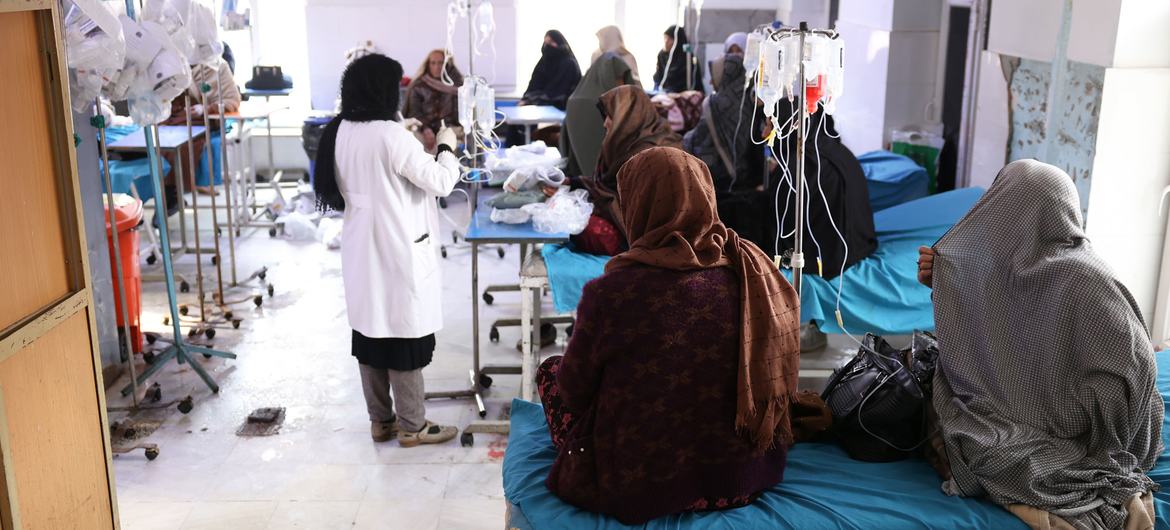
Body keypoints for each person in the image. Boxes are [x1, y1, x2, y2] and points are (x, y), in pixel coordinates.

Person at [536, 147, 801, 524]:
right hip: (742, 480)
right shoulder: (749, 275)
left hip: (636, 484)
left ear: (636, 206)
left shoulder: (610, 295)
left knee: (551, 371)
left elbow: (574, 392)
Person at [918, 160, 1162, 529]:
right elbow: (994, 332)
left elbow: (1133, 366)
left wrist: (1099, 437)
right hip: (1029, 403)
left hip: (1087, 426)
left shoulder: (1087, 278)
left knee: (987, 444)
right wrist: (945, 286)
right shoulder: (1001, 266)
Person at [312, 54, 462, 448]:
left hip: (361, 246)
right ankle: (413, 426)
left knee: (371, 333)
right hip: (398, 246)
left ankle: (381, 422)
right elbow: (441, 182)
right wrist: (447, 147)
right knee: (402, 336)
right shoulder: (391, 136)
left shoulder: (341, 129)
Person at [574, 85, 681, 255]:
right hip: (628, 223)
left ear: (627, 115)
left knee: (585, 228)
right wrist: (573, 182)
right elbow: (607, 186)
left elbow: (646, 212)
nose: (605, 123)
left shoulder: (653, 154)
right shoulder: (624, 144)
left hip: (650, 236)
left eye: (610, 116)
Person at [683, 52, 767, 245]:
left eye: (714, 75)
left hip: (720, 182)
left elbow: (699, 140)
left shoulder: (714, 103)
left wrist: (686, 139)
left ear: (726, 75)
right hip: (751, 182)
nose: (711, 81)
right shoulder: (753, 101)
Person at [161, 59, 241, 196]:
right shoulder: (170, 61)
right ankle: (166, 192)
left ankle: (174, 192)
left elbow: (232, 100)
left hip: (202, 121)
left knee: (182, 145)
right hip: (172, 117)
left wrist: (206, 108)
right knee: (159, 142)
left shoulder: (218, 66)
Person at [561, 53, 636, 180]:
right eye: (617, 78)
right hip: (606, 180)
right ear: (607, 76)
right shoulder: (601, 104)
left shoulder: (576, 100)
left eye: (623, 78)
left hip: (581, 178)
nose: (621, 83)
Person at [402, 49, 463, 152]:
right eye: (433, 63)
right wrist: (426, 128)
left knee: (449, 142)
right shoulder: (418, 86)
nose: (437, 67)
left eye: (440, 63)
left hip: (450, 129)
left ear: (446, 65)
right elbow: (415, 113)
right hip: (423, 129)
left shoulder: (458, 86)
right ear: (428, 64)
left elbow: (460, 115)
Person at [521, 30, 582, 110]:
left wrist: (534, 101)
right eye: (545, 43)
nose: (547, 46)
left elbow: (557, 93)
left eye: (550, 42)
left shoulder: (569, 64)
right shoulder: (544, 62)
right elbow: (534, 84)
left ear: (559, 42)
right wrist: (527, 99)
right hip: (540, 108)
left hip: (562, 108)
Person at [653, 25, 703, 94]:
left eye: (670, 39)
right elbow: (658, 75)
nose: (666, 41)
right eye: (665, 38)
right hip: (664, 93)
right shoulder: (662, 55)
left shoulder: (688, 57)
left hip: (685, 94)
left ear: (678, 41)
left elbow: (693, 82)